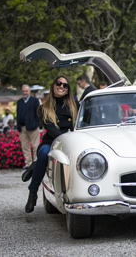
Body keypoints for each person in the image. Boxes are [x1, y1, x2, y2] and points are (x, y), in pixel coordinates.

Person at [24, 75, 79, 213]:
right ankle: (32, 192)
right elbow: (51, 129)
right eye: (59, 83)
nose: (61, 86)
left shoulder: (75, 106)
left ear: (67, 90)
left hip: (73, 141)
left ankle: (35, 166)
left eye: (65, 85)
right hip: (53, 141)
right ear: (53, 86)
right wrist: (66, 141)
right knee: (43, 153)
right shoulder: (44, 108)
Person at [17, 84, 41, 169]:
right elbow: (18, 114)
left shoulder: (34, 100)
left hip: (33, 127)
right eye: (23, 91)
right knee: (25, 147)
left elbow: (38, 113)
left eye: (26, 91)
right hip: (22, 127)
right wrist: (18, 125)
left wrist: (37, 124)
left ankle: (35, 163)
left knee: (35, 146)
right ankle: (28, 163)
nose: (25, 93)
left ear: (29, 91)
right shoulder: (19, 102)